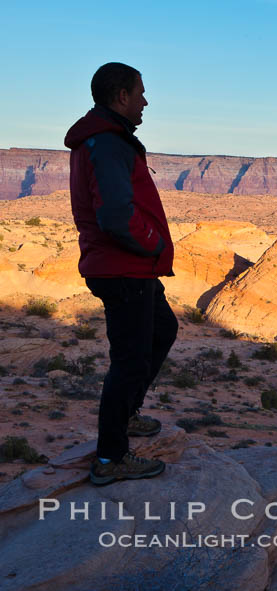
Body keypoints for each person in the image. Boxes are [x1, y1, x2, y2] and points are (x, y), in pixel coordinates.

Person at [65, 62, 177, 486]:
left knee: (162, 329)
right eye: (141, 92)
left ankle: (127, 414)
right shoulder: (108, 144)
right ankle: (111, 459)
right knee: (129, 361)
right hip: (123, 266)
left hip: (128, 267)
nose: (146, 101)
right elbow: (115, 215)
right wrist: (152, 243)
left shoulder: (102, 140)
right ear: (121, 96)